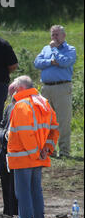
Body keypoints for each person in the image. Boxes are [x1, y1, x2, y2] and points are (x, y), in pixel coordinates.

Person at [7, 75, 59, 218]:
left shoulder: (22, 105)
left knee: (23, 195)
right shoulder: (43, 103)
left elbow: (24, 133)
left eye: (14, 87)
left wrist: (35, 152)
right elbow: (54, 129)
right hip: (37, 157)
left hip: (24, 157)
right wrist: (46, 149)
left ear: (21, 88)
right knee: (36, 192)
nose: (12, 90)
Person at [34, 25, 77, 158]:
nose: (54, 37)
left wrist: (54, 50)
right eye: (53, 35)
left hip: (62, 87)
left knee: (63, 121)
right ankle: (49, 150)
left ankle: (64, 151)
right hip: (46, 88)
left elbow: (65, 62)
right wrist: (51, 61)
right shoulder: (45, 49)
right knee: (46, 120)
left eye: (57, 34)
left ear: (64, 36)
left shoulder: (70, 49)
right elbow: (37, 63)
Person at [0, 82, 18, 216]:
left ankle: (16, 212)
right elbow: (2, 124)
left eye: (14, 91)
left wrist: (3, 135)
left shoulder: (24, 108)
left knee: (15, 185)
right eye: (10, 92)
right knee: (5, 182)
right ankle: (7, 212)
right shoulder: (9, 107)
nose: (12, 95)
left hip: (16, 152)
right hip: (4, 150)